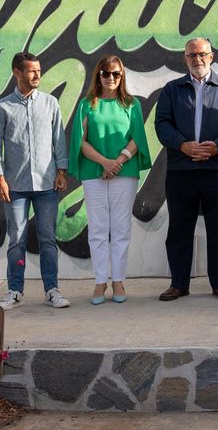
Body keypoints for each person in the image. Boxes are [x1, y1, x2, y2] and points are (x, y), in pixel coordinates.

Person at [154, 38, 218, 301]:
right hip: (181, 170)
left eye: (202, 54)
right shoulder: (172, 90)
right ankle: (179, 283)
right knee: (180, 228)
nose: (197, 59)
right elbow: (162, 124)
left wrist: (216, 147)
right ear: (185, 58)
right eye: (192, 55)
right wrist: (183, 146)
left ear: (212, 56)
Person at [0, 52, 71, 310]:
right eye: (32, 71)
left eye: (39, 70)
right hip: (16, 187)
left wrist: (61, 171)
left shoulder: (50, 103)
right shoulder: (2, 107)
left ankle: (52, 290)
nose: (37, 75)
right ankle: (14, 291)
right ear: (17, 72)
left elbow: (59, 139)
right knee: (17, 240)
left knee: (47, 238)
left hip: (47, 186)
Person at [70, 55, 151, 304]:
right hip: (94, 173)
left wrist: (118, 162)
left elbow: (137, 137)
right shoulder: (87, 104)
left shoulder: (131, 104)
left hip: (123, 173)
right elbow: (80, 141)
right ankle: (99, 283)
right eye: (106, 73)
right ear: (99, 75)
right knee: (97, 229)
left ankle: (118, 281)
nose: (111, 78)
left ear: (122, 75)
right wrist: (105, 163)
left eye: (116, 74)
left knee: (120, 229)